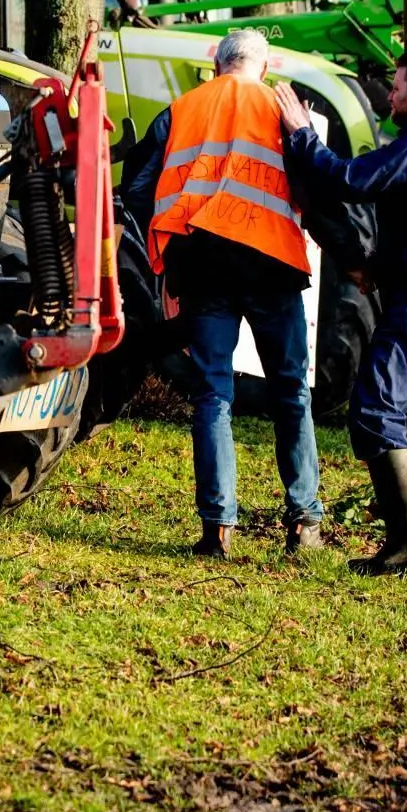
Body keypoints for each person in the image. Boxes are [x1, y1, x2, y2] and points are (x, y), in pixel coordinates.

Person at [275, 48, 407, 578]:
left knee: (375, 403)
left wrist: (302, 136)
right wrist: (377, 264)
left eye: (395, 87)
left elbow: (350, 180)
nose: (388, 96)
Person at [144, 28, 324, 558]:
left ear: (216, 64)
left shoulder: (181, 110)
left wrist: (165, 265)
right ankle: (304, 521)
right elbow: (315, 184)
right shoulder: (283, 109)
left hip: (202, 267)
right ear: (262, 68)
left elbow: (138, 188)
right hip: (270, 264)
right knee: (291, 389)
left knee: (212, 394)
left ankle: (217, 528)